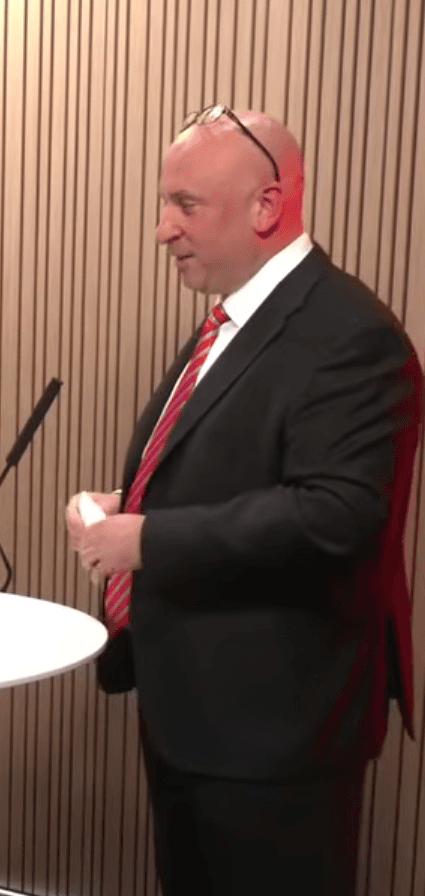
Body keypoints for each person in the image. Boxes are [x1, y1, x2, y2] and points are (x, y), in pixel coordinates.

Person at [65, 106, 422, 896]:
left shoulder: (349, 334)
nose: (162, 229)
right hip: (193, 715)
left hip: (274, 736)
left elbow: (338, 515)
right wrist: (127, 502)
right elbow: (238, 468)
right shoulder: (231, 319)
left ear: (265, 206)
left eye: (184, 204)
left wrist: (146, 539)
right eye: (164, 203)